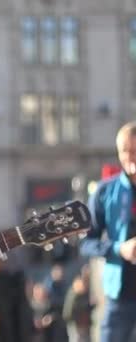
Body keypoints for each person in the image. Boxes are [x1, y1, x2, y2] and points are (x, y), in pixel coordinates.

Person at [81, 121, 136, 342]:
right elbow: (86, 243)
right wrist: (118, 249)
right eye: (126, 151)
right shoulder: (105, 191)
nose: (131, 157)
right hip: (119, 297)